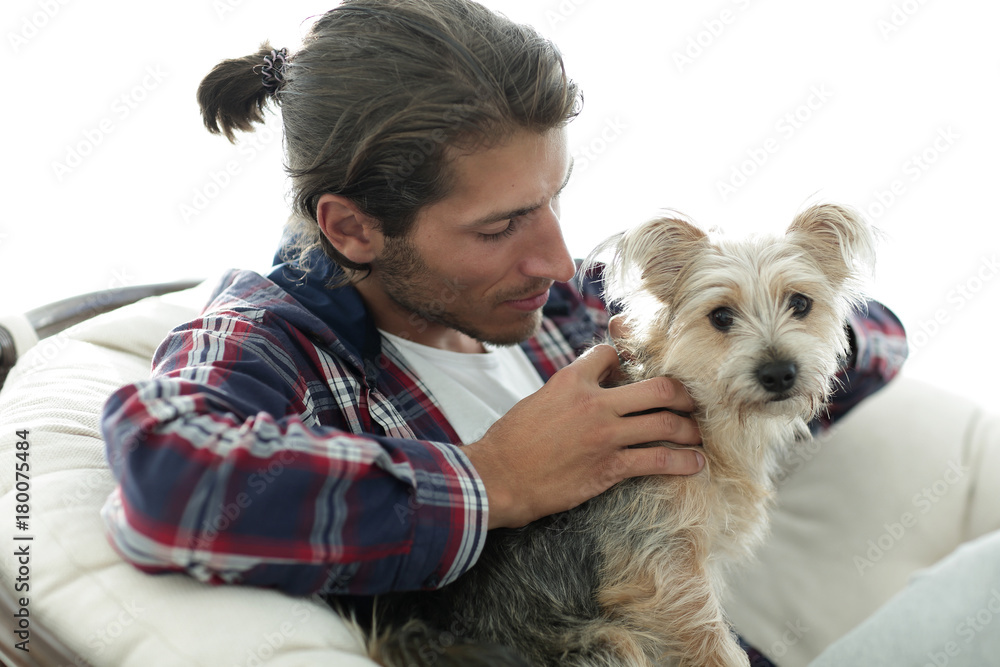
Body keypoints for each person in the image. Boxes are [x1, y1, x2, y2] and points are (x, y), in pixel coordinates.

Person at [99, 1, 907, 664]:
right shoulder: (274, 342)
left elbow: (877, 340)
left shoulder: (569, 309)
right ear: (351, 229)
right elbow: (166, 477)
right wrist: (494, 477)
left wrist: (758, 339)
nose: (558, 256)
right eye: (502, 224)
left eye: (553, 197)